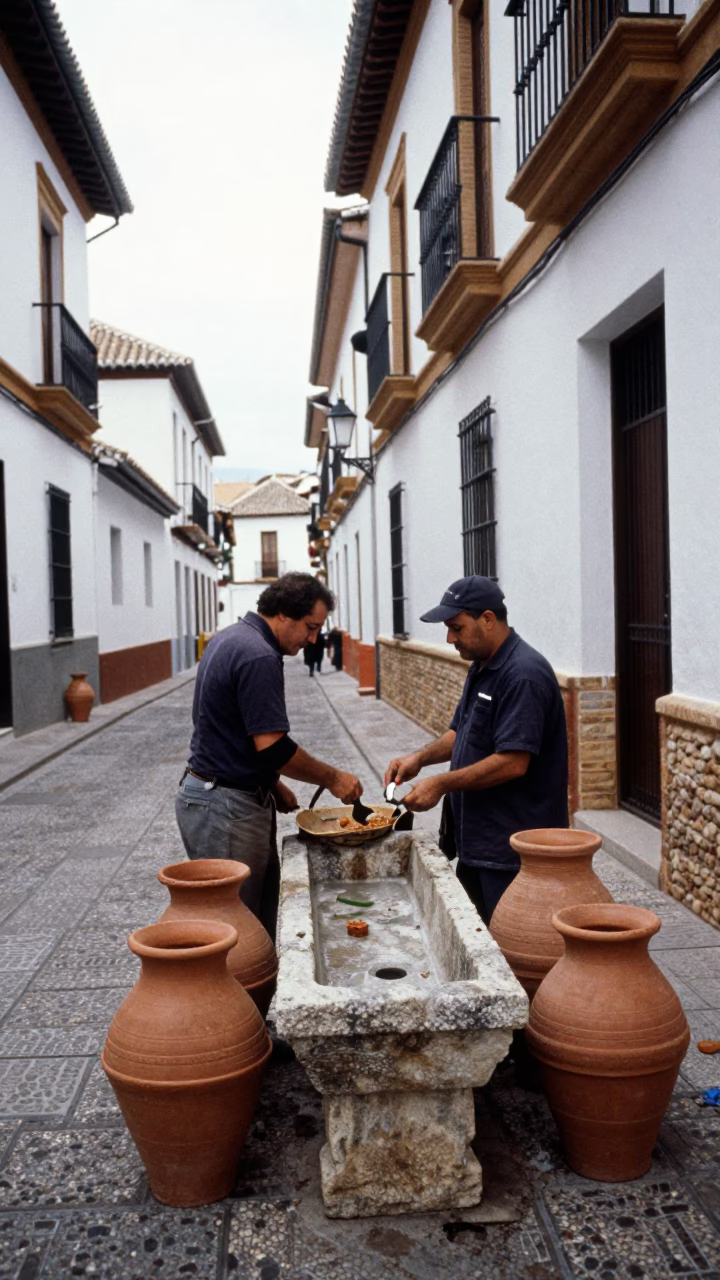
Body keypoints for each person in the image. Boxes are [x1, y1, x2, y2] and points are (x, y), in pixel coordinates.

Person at [176, 573, 362, 942]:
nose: (312, 639)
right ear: (283, 614)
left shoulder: (229, 638)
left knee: (255, 917)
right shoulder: (259, 654)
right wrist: (333, 778)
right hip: (226, 808)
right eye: (310, 627)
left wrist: (270, 781)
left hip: (216, 795)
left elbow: (221, 726)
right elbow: (275, 748)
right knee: (239, 933)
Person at [384, 576, 568, 924]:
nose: (450, 638)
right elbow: (460, 732)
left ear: (487, 618)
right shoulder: (483, 664)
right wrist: (419, 760)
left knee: (511, 956)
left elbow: (513, 762)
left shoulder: (522, 675)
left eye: (456, 627)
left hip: (512, 852)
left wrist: (442, 784)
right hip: (477, 847)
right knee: (473, 946)